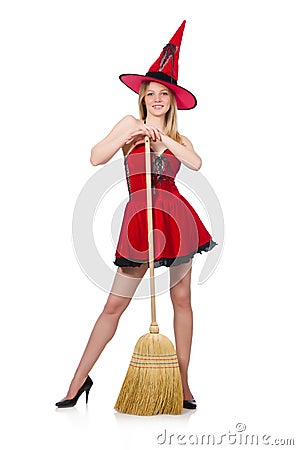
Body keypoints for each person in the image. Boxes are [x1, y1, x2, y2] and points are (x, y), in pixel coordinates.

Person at [55, 20, 217, 410]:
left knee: (182, 303)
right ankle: (77, 382)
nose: (157, 98)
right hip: (139, 223)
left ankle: (182, 384)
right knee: (114, 305)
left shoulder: (179, 139)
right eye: (152, 92)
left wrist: (166, 144)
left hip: (178, 223)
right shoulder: (130, 123)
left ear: (172, 100)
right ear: (143, 96)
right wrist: (127, 138)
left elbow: (196, 163)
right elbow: (95, 157)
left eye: (164, 93)